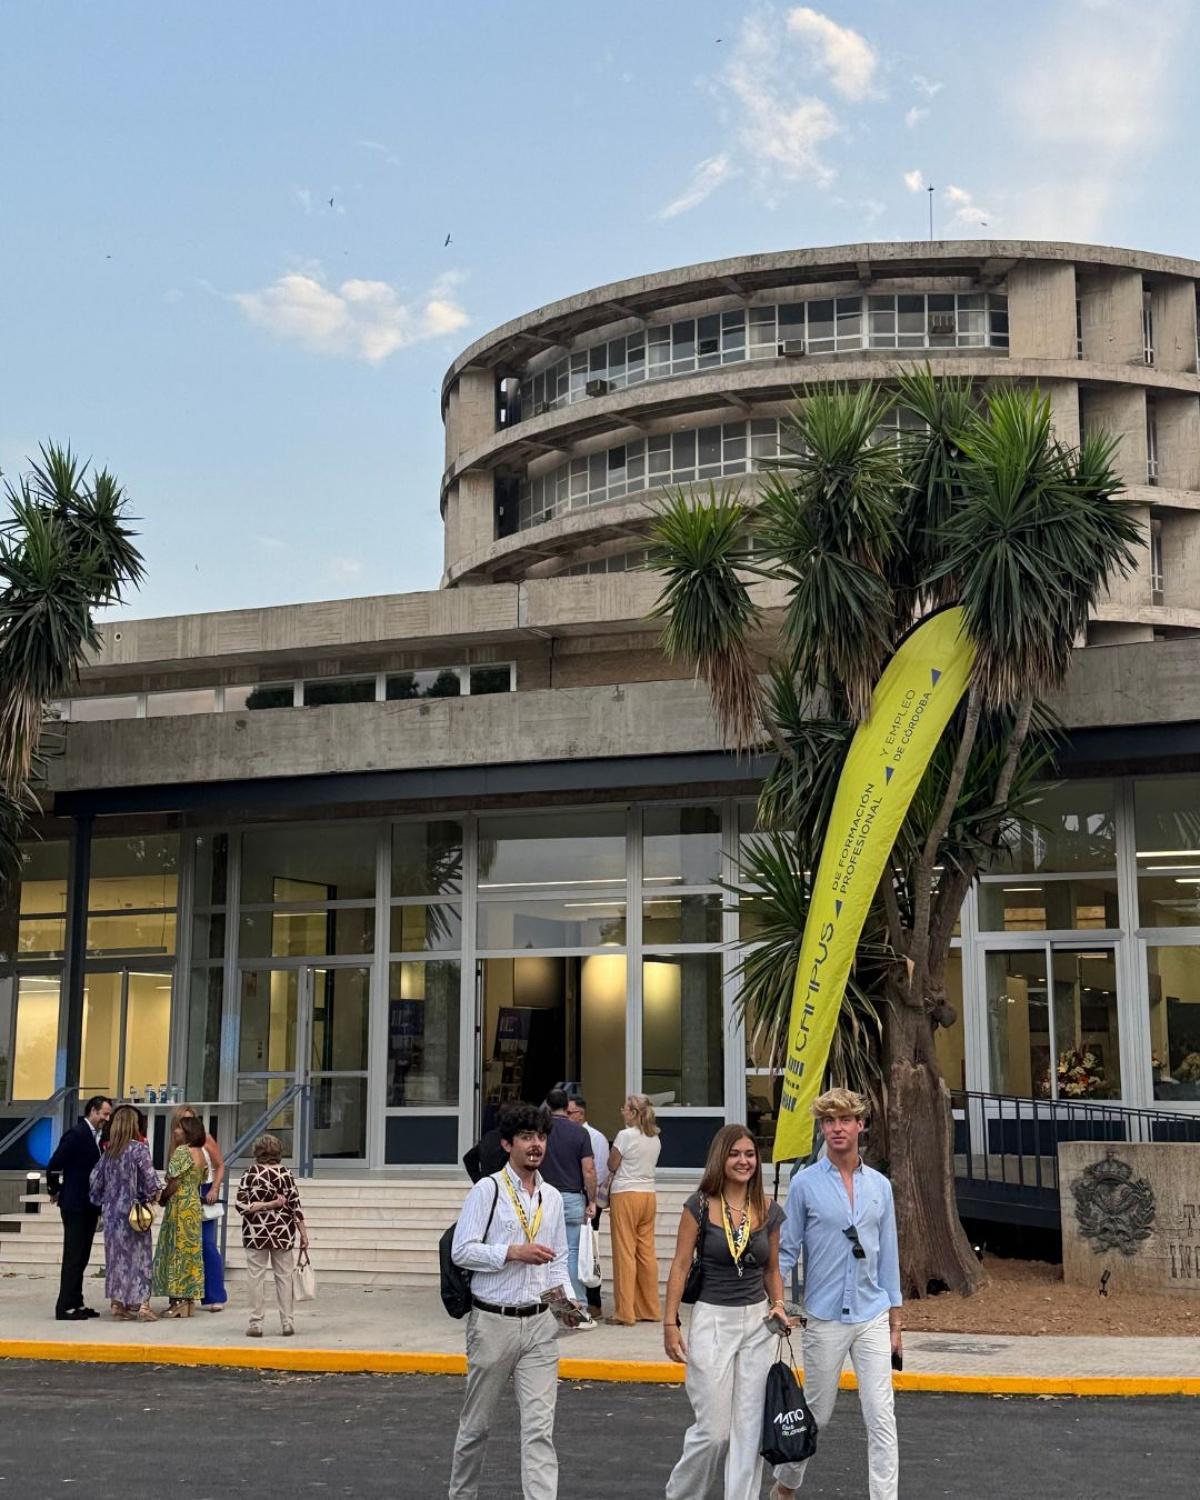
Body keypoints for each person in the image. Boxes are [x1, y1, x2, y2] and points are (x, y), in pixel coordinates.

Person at [772, 1088, 902, 1500]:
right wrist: (775, 1300)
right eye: (829, 1121)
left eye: (845, 1120)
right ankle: (787, 1484)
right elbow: (787, 1250)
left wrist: (896, 1323)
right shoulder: (805, 1184)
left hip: (872, 1314)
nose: (837, 1128)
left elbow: (888, 1256)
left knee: (881, 1415)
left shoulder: (880, 1186)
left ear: (860, 1124)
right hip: (824, 1316)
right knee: (817, 1414)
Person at [448, 1102, 579, 1500]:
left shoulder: (553, 1198)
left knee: (540, 1430)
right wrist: (511, 1252)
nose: (535, 1145)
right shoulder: (487, 1191)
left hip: (540, 1325)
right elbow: (462, 1251)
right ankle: (462, 1495)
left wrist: (569, 1310)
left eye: (540, 1137)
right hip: (493, 1324)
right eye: (525, 1137)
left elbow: (558, 1263)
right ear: (507, 1144)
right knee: (476, 1426)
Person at [662, 1124, 788, 1500]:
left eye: (749, 1154)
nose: (743, 1161)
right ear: (721, 1157)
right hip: (712, 1320)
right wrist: (670, 1323)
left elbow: (772, 1269)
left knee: (749, 1430)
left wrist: (779, 1305)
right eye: (735, 1154)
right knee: (714, 1431)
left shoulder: (768, 1210)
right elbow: (680, 1266)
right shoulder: (699, 1205)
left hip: (757, 1323)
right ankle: (682, 1494)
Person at [87, 1103, 160, 1321]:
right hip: (135, 1214)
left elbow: (94, 1182)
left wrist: (103, 1201)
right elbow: (151, 1182)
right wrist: (151, 1197)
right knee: (140, 1258)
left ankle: (118, 1304)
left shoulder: (109, 1153)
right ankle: (143, 1305)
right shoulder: (139, 1150)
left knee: (116, 1259)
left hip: (112, 1215)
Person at [234, 1132, 308, 1338]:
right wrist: (303, 1234)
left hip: (255, 1232)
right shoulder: (286, 1174)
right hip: (282, 1231)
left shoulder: (250, 1173)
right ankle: (287, 1322)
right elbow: (296, 1206)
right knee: (284, 1277)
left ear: (257, 1152)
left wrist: (262, 1205)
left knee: (255, 1278)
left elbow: (240, 1204)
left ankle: (256, 1322)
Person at [46, 1095, 111, 1321]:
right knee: (73, 1254)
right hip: (75, 1203)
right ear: (93, 1111)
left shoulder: (100, 1137)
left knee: (82, 1255)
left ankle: (76, 1300)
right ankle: (64, 1305)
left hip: (90, 1204)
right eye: (104, 1113)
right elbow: (54, 1165)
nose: (107, 1118)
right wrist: (54, 1190)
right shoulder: (76, 1135)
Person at [538, 1087, 596, 1323]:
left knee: (542, 1251)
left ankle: (545, 1303)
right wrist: (592, 1200)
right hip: (572, 1197)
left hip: (542, 1196)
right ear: (567, 1107)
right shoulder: (579, 1133)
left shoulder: (540, 1131)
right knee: (571, 1253)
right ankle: (577, 1303)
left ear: (547, 1106)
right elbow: (589, 1170)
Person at [606, 1092, 662, 1326]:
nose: (621, 1111)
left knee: (624, 1253)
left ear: (634, 1113)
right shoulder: (655, 1138)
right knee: (646, 1252)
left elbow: (612, 1164)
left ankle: (625, 1312)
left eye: (624, 1108)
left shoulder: (624, 1135)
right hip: (648, 1194)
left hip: (625, 1194)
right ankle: (649, 1308)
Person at [172, 1103, 227, 1312]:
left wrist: (214, 1188)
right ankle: (186, 1294)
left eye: (190, 1120)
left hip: (203, 1191)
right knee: (184, 1247)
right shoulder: (176, 1142)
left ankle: (214, 1294)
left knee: (207, 1244)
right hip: (182, 1192)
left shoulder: (205, 1139)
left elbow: (220, 1163)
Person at [151, 1114, 206, 1316]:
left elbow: (174, 1182)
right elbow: (202, 1179)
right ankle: (189, 1298)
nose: (175, 1131)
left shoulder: (182, 1152)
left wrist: (162, 1198)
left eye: (180, 1129)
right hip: (193, 1203)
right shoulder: (200, 1153)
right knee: (190, 1251)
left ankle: (178, 1300)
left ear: (189, 1132)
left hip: (180, 1205)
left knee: (176, 1250)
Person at [565, 1095, 609, 1318]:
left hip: (589, 1200)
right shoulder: (567, 1133)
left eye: (570, 1112)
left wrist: (591, 1200)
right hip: (575, 1198)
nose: (566, 1116)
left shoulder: (595, 1137)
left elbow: (597, 1171)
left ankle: (594, 1302)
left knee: (588, 1252)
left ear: (580, 1113)